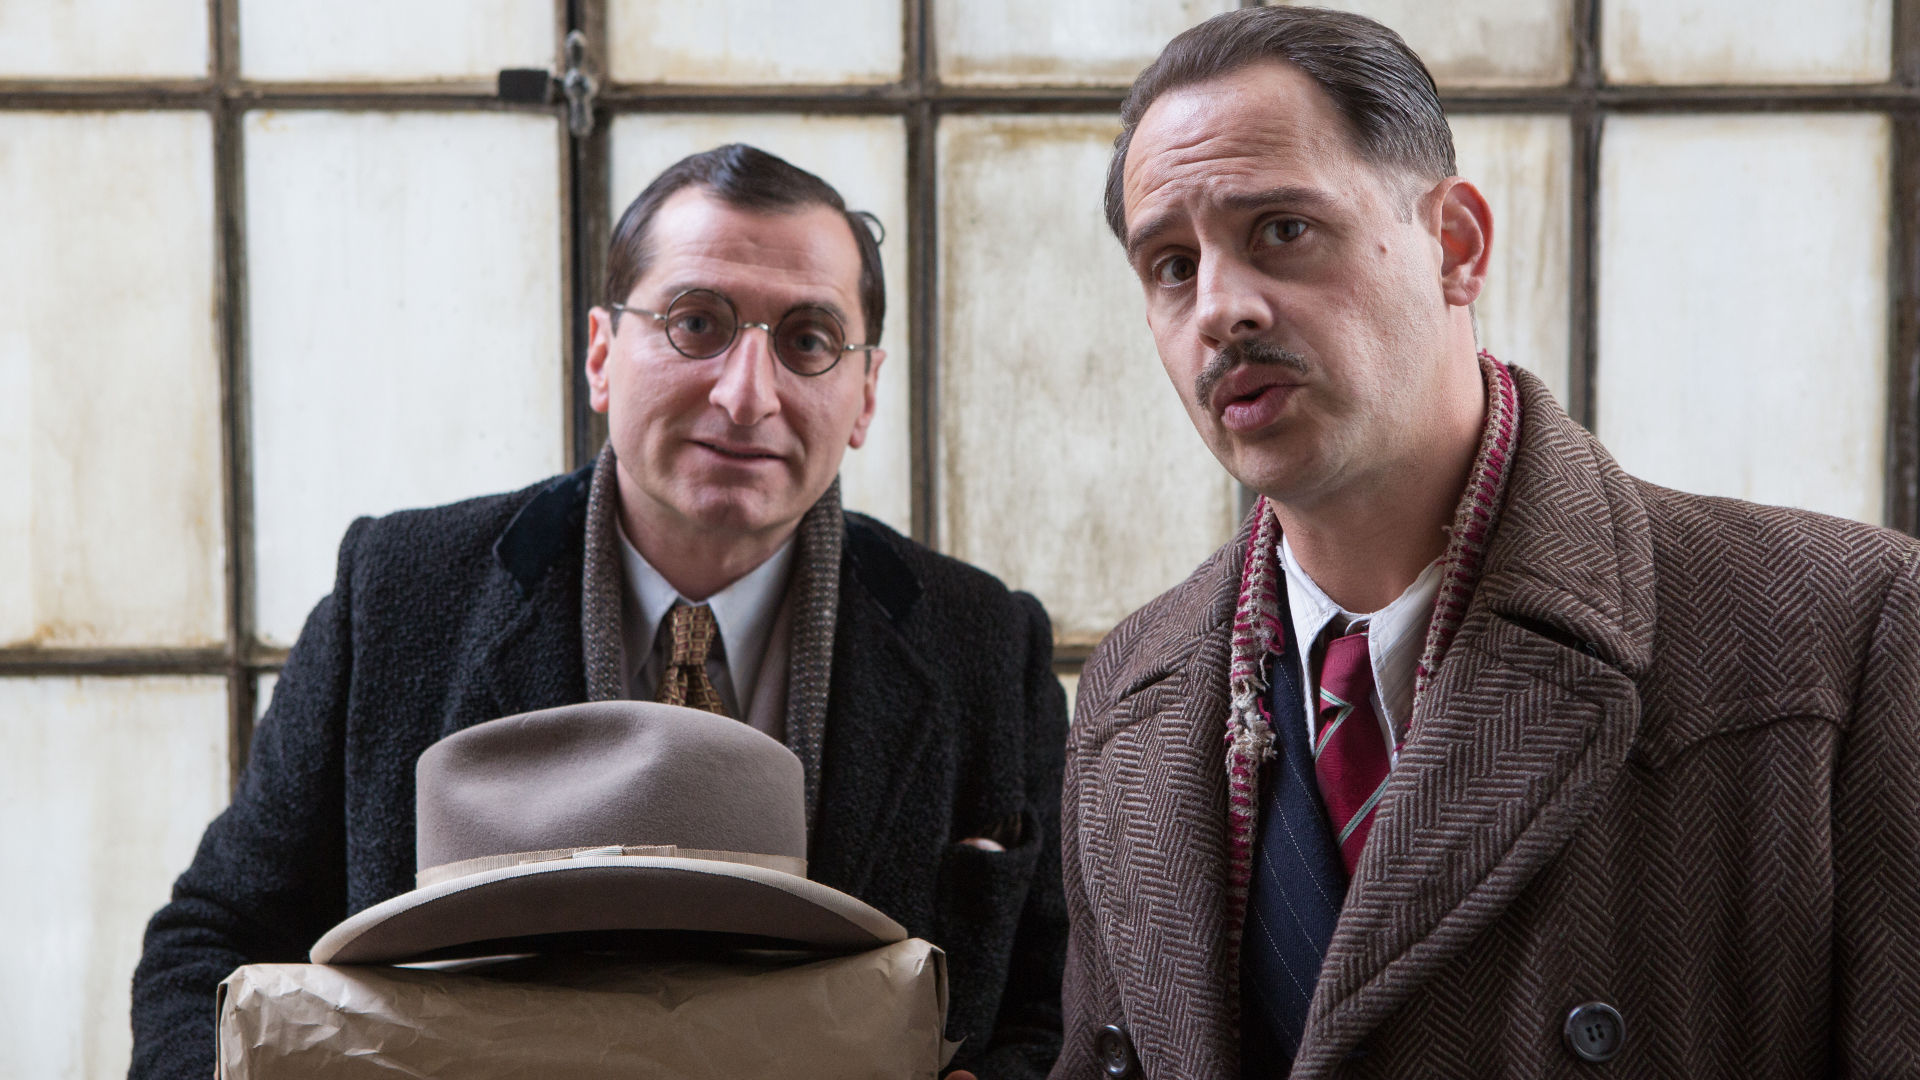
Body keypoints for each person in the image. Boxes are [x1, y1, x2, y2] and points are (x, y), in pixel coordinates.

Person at [1053, 8, 1920, 1079]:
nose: (1221, 309)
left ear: (1456, 246)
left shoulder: (1841, 628)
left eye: (1281, 229)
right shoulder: (1130, 693)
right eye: (1172, 265)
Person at [132, 144, 1066, 1080]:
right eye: (696, 323)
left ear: (865, 393)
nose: (747, 395)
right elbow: (205, 945)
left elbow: (1060, 991)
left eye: (809, 341)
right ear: (601, 355)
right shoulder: (397, 594)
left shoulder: (985, 640)